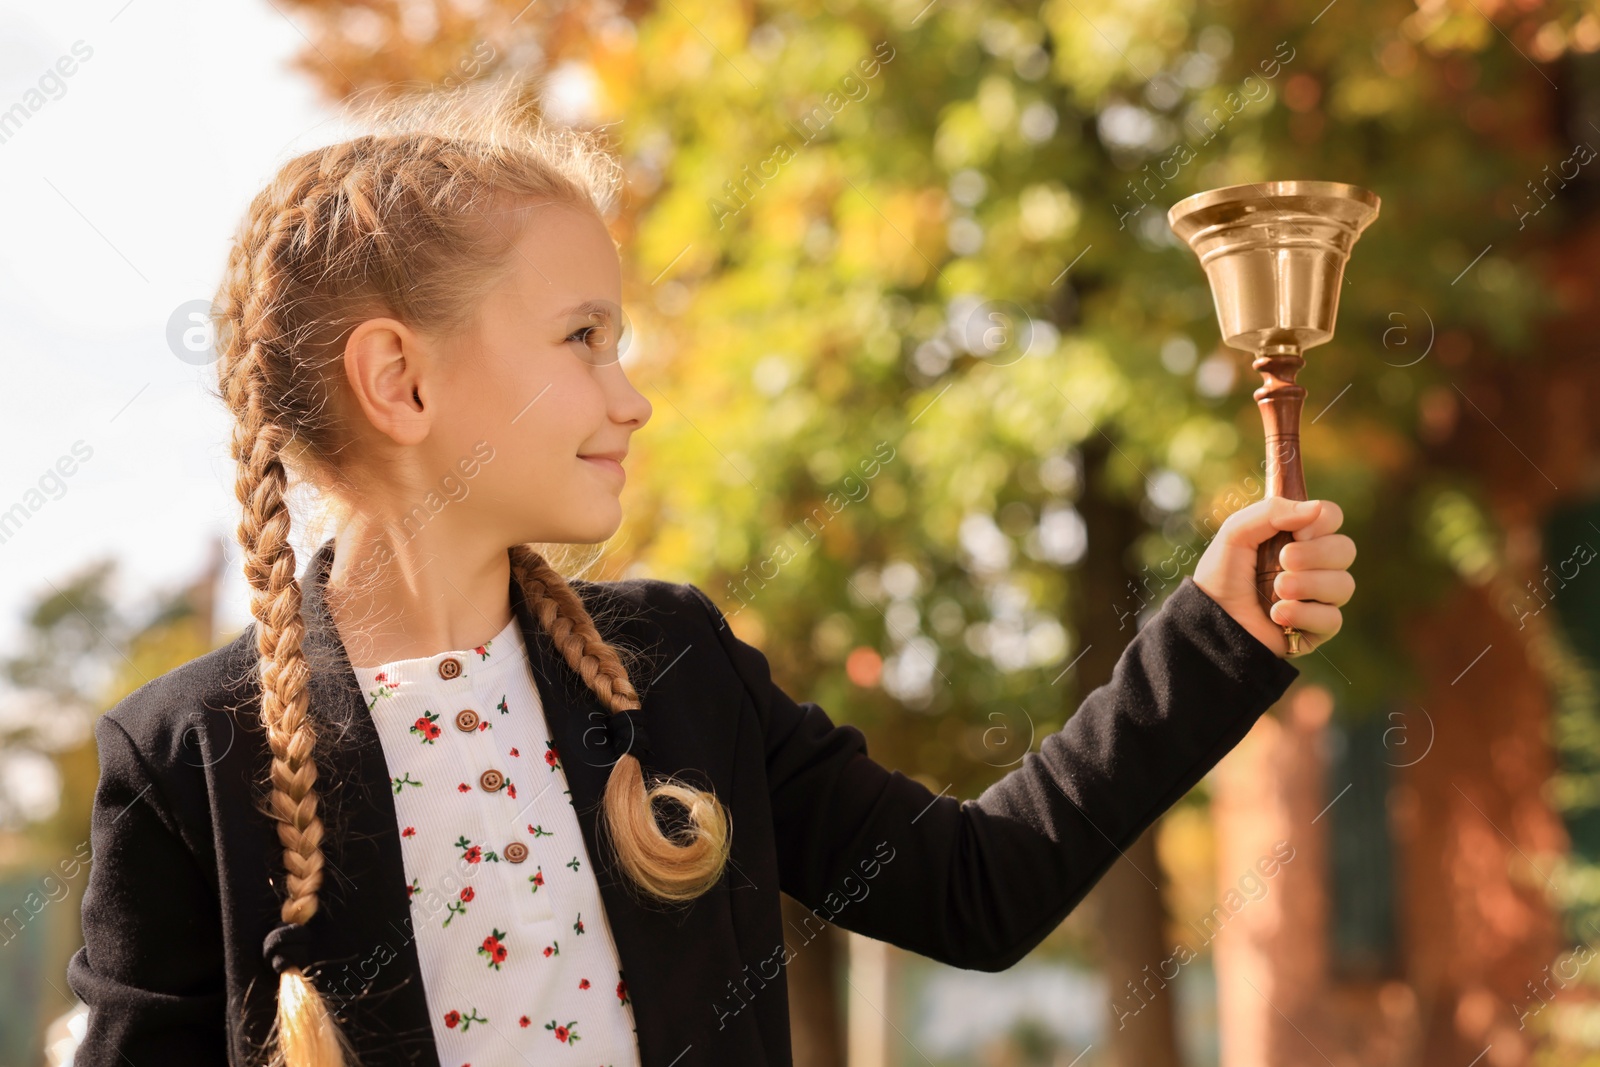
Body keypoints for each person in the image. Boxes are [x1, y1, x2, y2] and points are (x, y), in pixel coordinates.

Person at [64, 75, 1355, 1067]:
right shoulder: (188, 763)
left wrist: (1210, 639)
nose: (629, 396)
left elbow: (978, 889)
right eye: (583, 338)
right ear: (401, 380)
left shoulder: (676, 670)